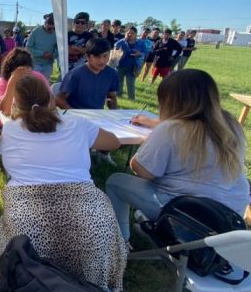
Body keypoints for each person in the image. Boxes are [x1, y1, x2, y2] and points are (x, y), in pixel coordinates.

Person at [0, 75, 127, 291]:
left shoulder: (10, 129)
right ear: (52, 98)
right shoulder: (77, 123)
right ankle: (93, 290)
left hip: (27, 219)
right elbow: (113, 143)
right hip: (91, 218)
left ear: (17, 104)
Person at [105, 69, 249, 242]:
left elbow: (143, 171)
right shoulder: (231, 125)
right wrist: (153, 124)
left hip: (186, 213)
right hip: (231, 217)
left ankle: (121, 240)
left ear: (170, 102)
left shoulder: (170, 129)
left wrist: (144, 149)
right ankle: (155, 228)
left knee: (115, 181)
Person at [0, 48, 51, 128]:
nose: (24, 73)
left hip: (30, 119)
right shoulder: (3, 81)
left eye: (28, 69)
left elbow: (50, 102)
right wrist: (12, 81)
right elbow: (6, 111)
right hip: (5, 121)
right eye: (20, 70)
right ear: (11, 70)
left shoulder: (38, 77)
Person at [56, 38, 118, 110]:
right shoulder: (75, 74)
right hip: (77, 115)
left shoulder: (112, 73)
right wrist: (74, 114)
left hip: (98, 115)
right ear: (87, 57)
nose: (102, 61)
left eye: (105, 56)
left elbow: (112, 96)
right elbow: (59, 99)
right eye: (97, 57)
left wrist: (114, 113)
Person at [114, 26, 143, 100]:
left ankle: (131, 98)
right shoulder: (121, 42)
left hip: (133, 67)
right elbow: (115, 48)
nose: (130, 34)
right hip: (120, 66)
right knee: (119, 82)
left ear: (136, 34)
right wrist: (121, 45)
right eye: (128, 33)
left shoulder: (140, 43)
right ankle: (118, 96)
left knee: (131, 83)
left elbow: (144, 53)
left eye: (132, 33)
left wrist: (139, 54)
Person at [26, 13, 57, 81]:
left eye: (53, 28)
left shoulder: (57, 33)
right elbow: (28, 47)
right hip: (35, 64)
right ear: (45, 23)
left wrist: (52, 55)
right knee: (34, 84)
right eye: (49, 28)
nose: (51, 30)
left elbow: (58, 49)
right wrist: (42, 54)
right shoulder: (36, 31)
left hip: (48, 65)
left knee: (44, 85)